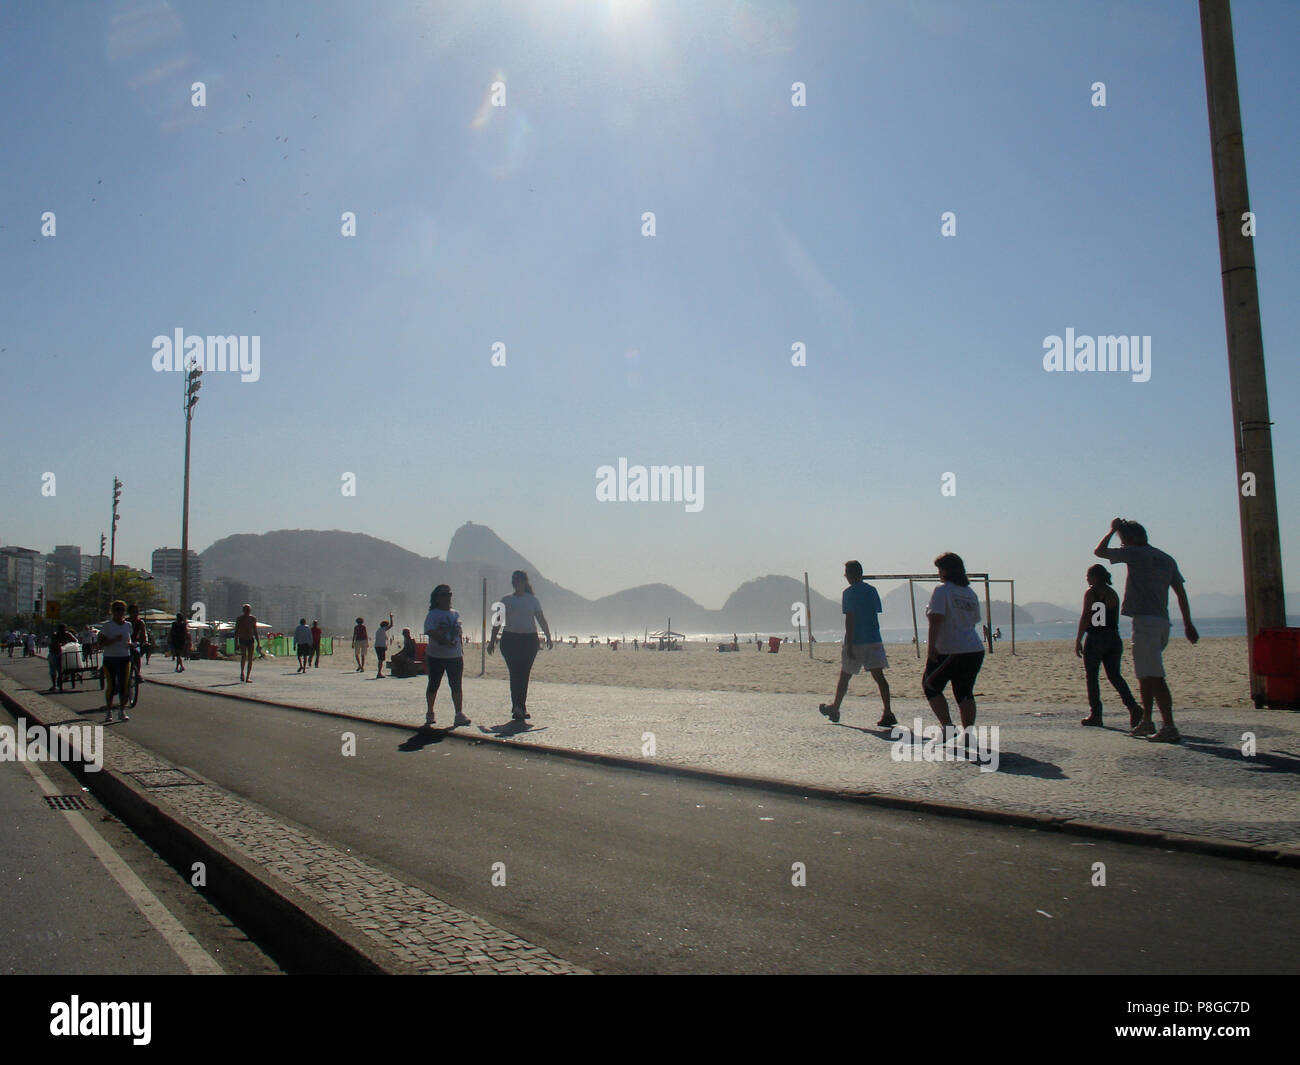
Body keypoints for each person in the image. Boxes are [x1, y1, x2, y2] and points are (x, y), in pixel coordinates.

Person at [1094, 518, 1198, 743]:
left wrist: (1112, 530)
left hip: (1146, 622)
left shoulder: (1135, 553)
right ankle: (1147, 720)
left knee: (1155, 676)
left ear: (1132, 539)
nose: (1122, 546)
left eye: (1123, 541)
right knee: (1145, 674)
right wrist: (1188, 623)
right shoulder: (1166, 558)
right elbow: (1180, 592)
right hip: (1161, 621)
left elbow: (1099, 552)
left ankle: (1169, 725)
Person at [819, 560, 895, 727]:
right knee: (879, 677)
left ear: (851, 574)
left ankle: (835, 708)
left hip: (858, 640)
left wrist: (850, 643)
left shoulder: (849, 593)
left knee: (845, 675)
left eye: (846, 574)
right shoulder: (872, 591)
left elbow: (850, 618)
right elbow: (875, 614)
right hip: (874, 638)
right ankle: (888, 711)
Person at [922, 552, 985, 731]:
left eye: (940, 570)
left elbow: (936, 620)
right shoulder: (969, 592)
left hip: (951, 648)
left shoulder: (942, 590)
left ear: (946, 571)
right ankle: (967, 733)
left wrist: (931, 647)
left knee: (930, 686)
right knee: (964, 692)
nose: (938, 574)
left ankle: (948, 727)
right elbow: (974, 620)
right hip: (973, 648)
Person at [1075, 564, 1142, 729]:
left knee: (1092, 676)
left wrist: (1078, 639)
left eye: (1088, 576)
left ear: (1095, 577)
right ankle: (1133, 706)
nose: (1087, 579)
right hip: (1113, 637)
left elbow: (1086, 616)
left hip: (1096, 637)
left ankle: (1096, 714)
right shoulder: (1113, 594)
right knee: (1114, 675)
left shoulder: (1091, 593)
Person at [487, 570, 552, 722]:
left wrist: (548, 636)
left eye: (519, 580)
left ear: (524, 582)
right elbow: (497, 622)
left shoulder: (533, 600)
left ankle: (520, 707)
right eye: (514, 580)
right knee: (515, 673)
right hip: (510, 639)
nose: (516, 582)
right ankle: (518, 706)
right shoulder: (506, 600)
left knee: (524, 674)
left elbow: (541, 619)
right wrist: (491, 641)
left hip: (529, 640)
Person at [423, 586, 470, 727]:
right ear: (437, 597)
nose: (448, 597)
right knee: (433, 684)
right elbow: (430, 631)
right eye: (444, 594)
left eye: (449, 594)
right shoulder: (433, 614)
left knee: (456, 685)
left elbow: (459, 631)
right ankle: (430, 712)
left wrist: (459, 647)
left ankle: (458, 713)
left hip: (455, 656)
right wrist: (445, 642)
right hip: (436, 655)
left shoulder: (455, 613)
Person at [100, 600, 134, 722]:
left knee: (124, 685)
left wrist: (130, 645)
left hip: (124, 657)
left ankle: (121, 710)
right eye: (117, 610)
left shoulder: (128, 625)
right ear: (112, 611)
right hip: (110, 658)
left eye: (121, 610)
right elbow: (100, 643)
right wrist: (113, 640)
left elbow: (128, 639)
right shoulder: (107, 626)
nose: (119, 612)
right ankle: (109, 711)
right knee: (111, 685)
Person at [234, 604, 261, 682]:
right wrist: (236, 643)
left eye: (248, 610)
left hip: (250, 639)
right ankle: (242, 673)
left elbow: (255, 631)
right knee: (244, 657)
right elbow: (236, 631)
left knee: (249, 658)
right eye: (246, 610)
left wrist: (259, 642)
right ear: (243, 610)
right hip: (242, 639)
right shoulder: (239, 619)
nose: (247, 611)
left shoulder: (253, 619)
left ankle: (247, 676)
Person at [126, 603, 147, 686]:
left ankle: (137, 673)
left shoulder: (140, 622)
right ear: (130, 613)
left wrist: (145, 641)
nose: (136, 614)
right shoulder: (126, 622)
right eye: (134, 612)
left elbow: (144, 633)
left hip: (135, 643)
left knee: (137, 654)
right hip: (125, 643)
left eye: (137, 612)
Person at [373, 612, 394, 678]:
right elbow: (391, 625)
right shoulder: (383, 629)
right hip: (381, 646)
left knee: (380, 660)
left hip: (377, 646)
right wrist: (391, 618)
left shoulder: (379, 630)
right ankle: (379, 673)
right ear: (385, 626)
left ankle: (379, 672)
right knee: (381, 660)